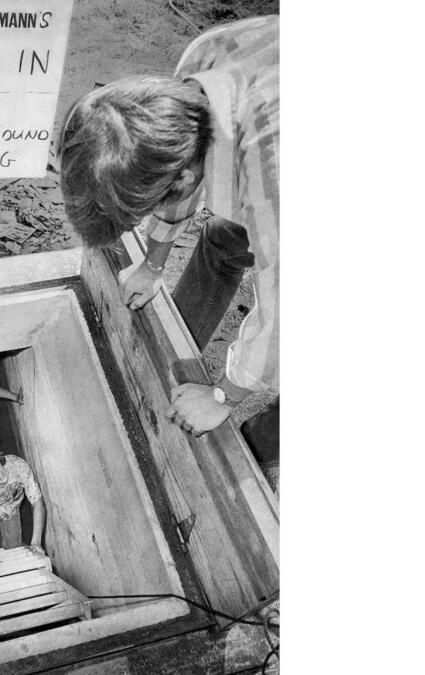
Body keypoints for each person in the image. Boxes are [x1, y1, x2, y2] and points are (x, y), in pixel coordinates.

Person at [57, 16, 279, 489]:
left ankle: (254, 457)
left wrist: (223, 395)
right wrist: (153, 261)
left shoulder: (273, 174)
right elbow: (184, 163)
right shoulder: (203, 64)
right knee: (226, 234)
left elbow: (288, 317)